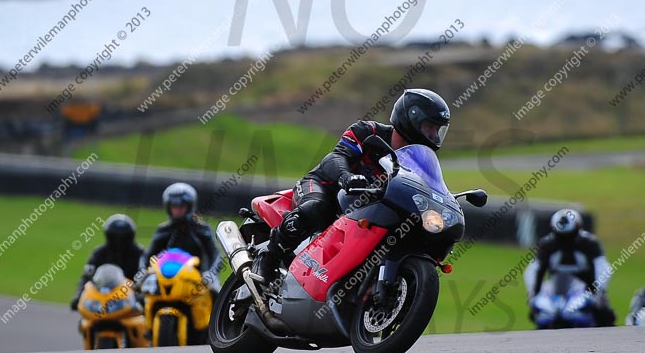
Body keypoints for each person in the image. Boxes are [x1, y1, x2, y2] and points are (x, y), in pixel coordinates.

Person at [253, 88, 451, 286]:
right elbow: (335, 157)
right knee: (316, 207)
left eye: (437, 129)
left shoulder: (420, 163)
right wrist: (346, 176)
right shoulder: (368, 131)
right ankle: (268, 257)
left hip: (362, 211)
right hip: (325, 187)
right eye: (429, 127)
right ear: (411, 119)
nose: (434, 134)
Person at [524, 209, 616, 326]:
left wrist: (599, 290)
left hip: (587, 287)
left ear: (577, 228)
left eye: (569, 236)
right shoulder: (546, 245)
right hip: (556, 288)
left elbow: (602, 267)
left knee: (605, 314)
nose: (566, 242)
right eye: (562, 237)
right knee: (536, 314)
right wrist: (533, 294)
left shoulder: (590, 243)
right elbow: (534, 269)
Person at [142, 183, 222, 295]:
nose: (177, 210)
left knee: (217, 296)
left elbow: (216, 255)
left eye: (181, 207)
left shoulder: (201, 228)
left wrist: (210, 274)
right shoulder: (163, 230)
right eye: (174, 207)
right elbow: (147, 258)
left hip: (198, 280)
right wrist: (145, 275)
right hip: (165, 279)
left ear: (189, 207)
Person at [70, 214, 144, 310]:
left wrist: (141, 297)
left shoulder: (140, 254)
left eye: (124, 238)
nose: (119, 242)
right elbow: (87, 277)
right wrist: (79, 296)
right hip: (101, 299)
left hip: (130, 302)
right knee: (85, 323)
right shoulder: (99, 253)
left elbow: (145, 277)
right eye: (115, 238)